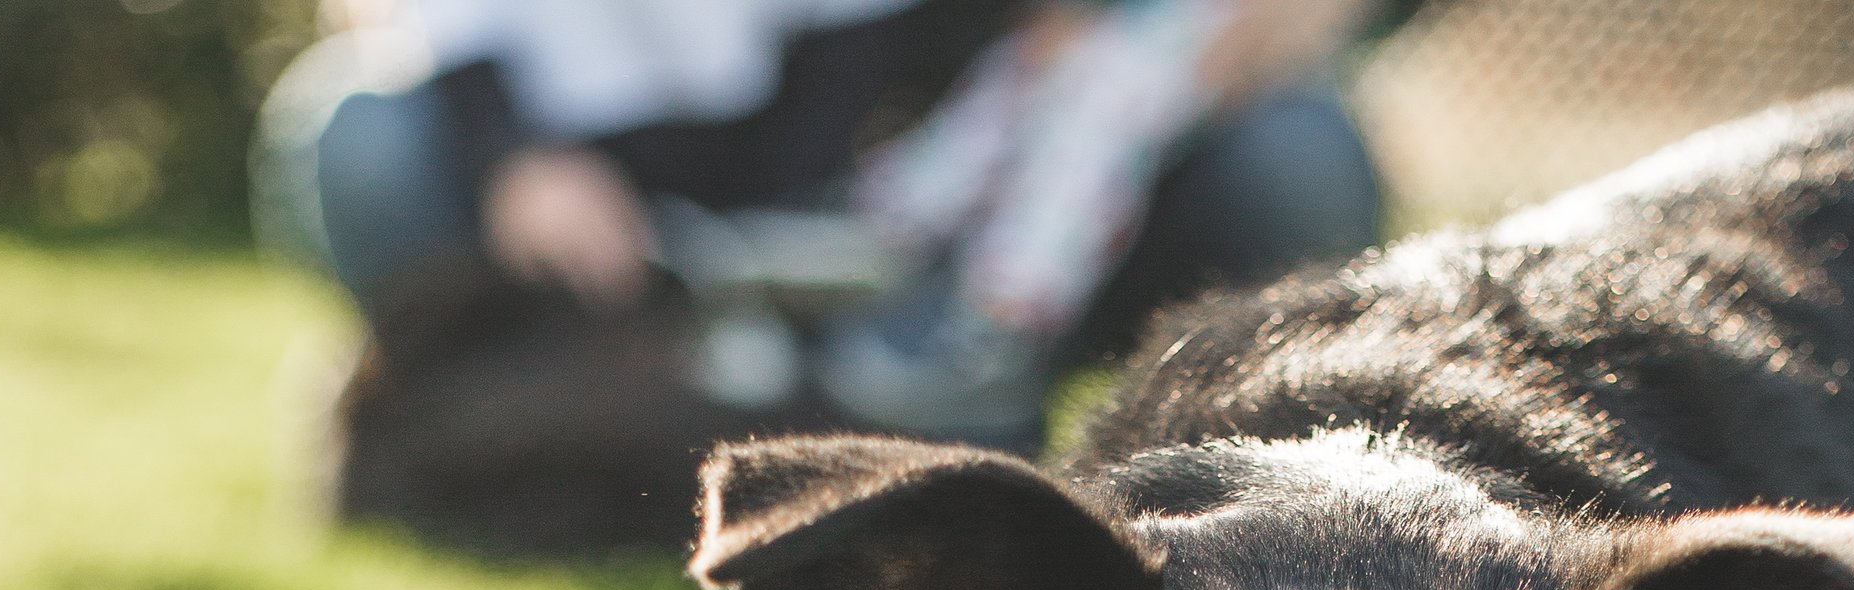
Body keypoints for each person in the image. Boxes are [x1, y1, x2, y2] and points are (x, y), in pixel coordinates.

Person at [257, 0, 1382, 457]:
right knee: (361, 132)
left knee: (1295, 143)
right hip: (585, 182)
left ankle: (941, 382)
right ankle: (475, 382)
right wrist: (512, 157)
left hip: (887, 195)